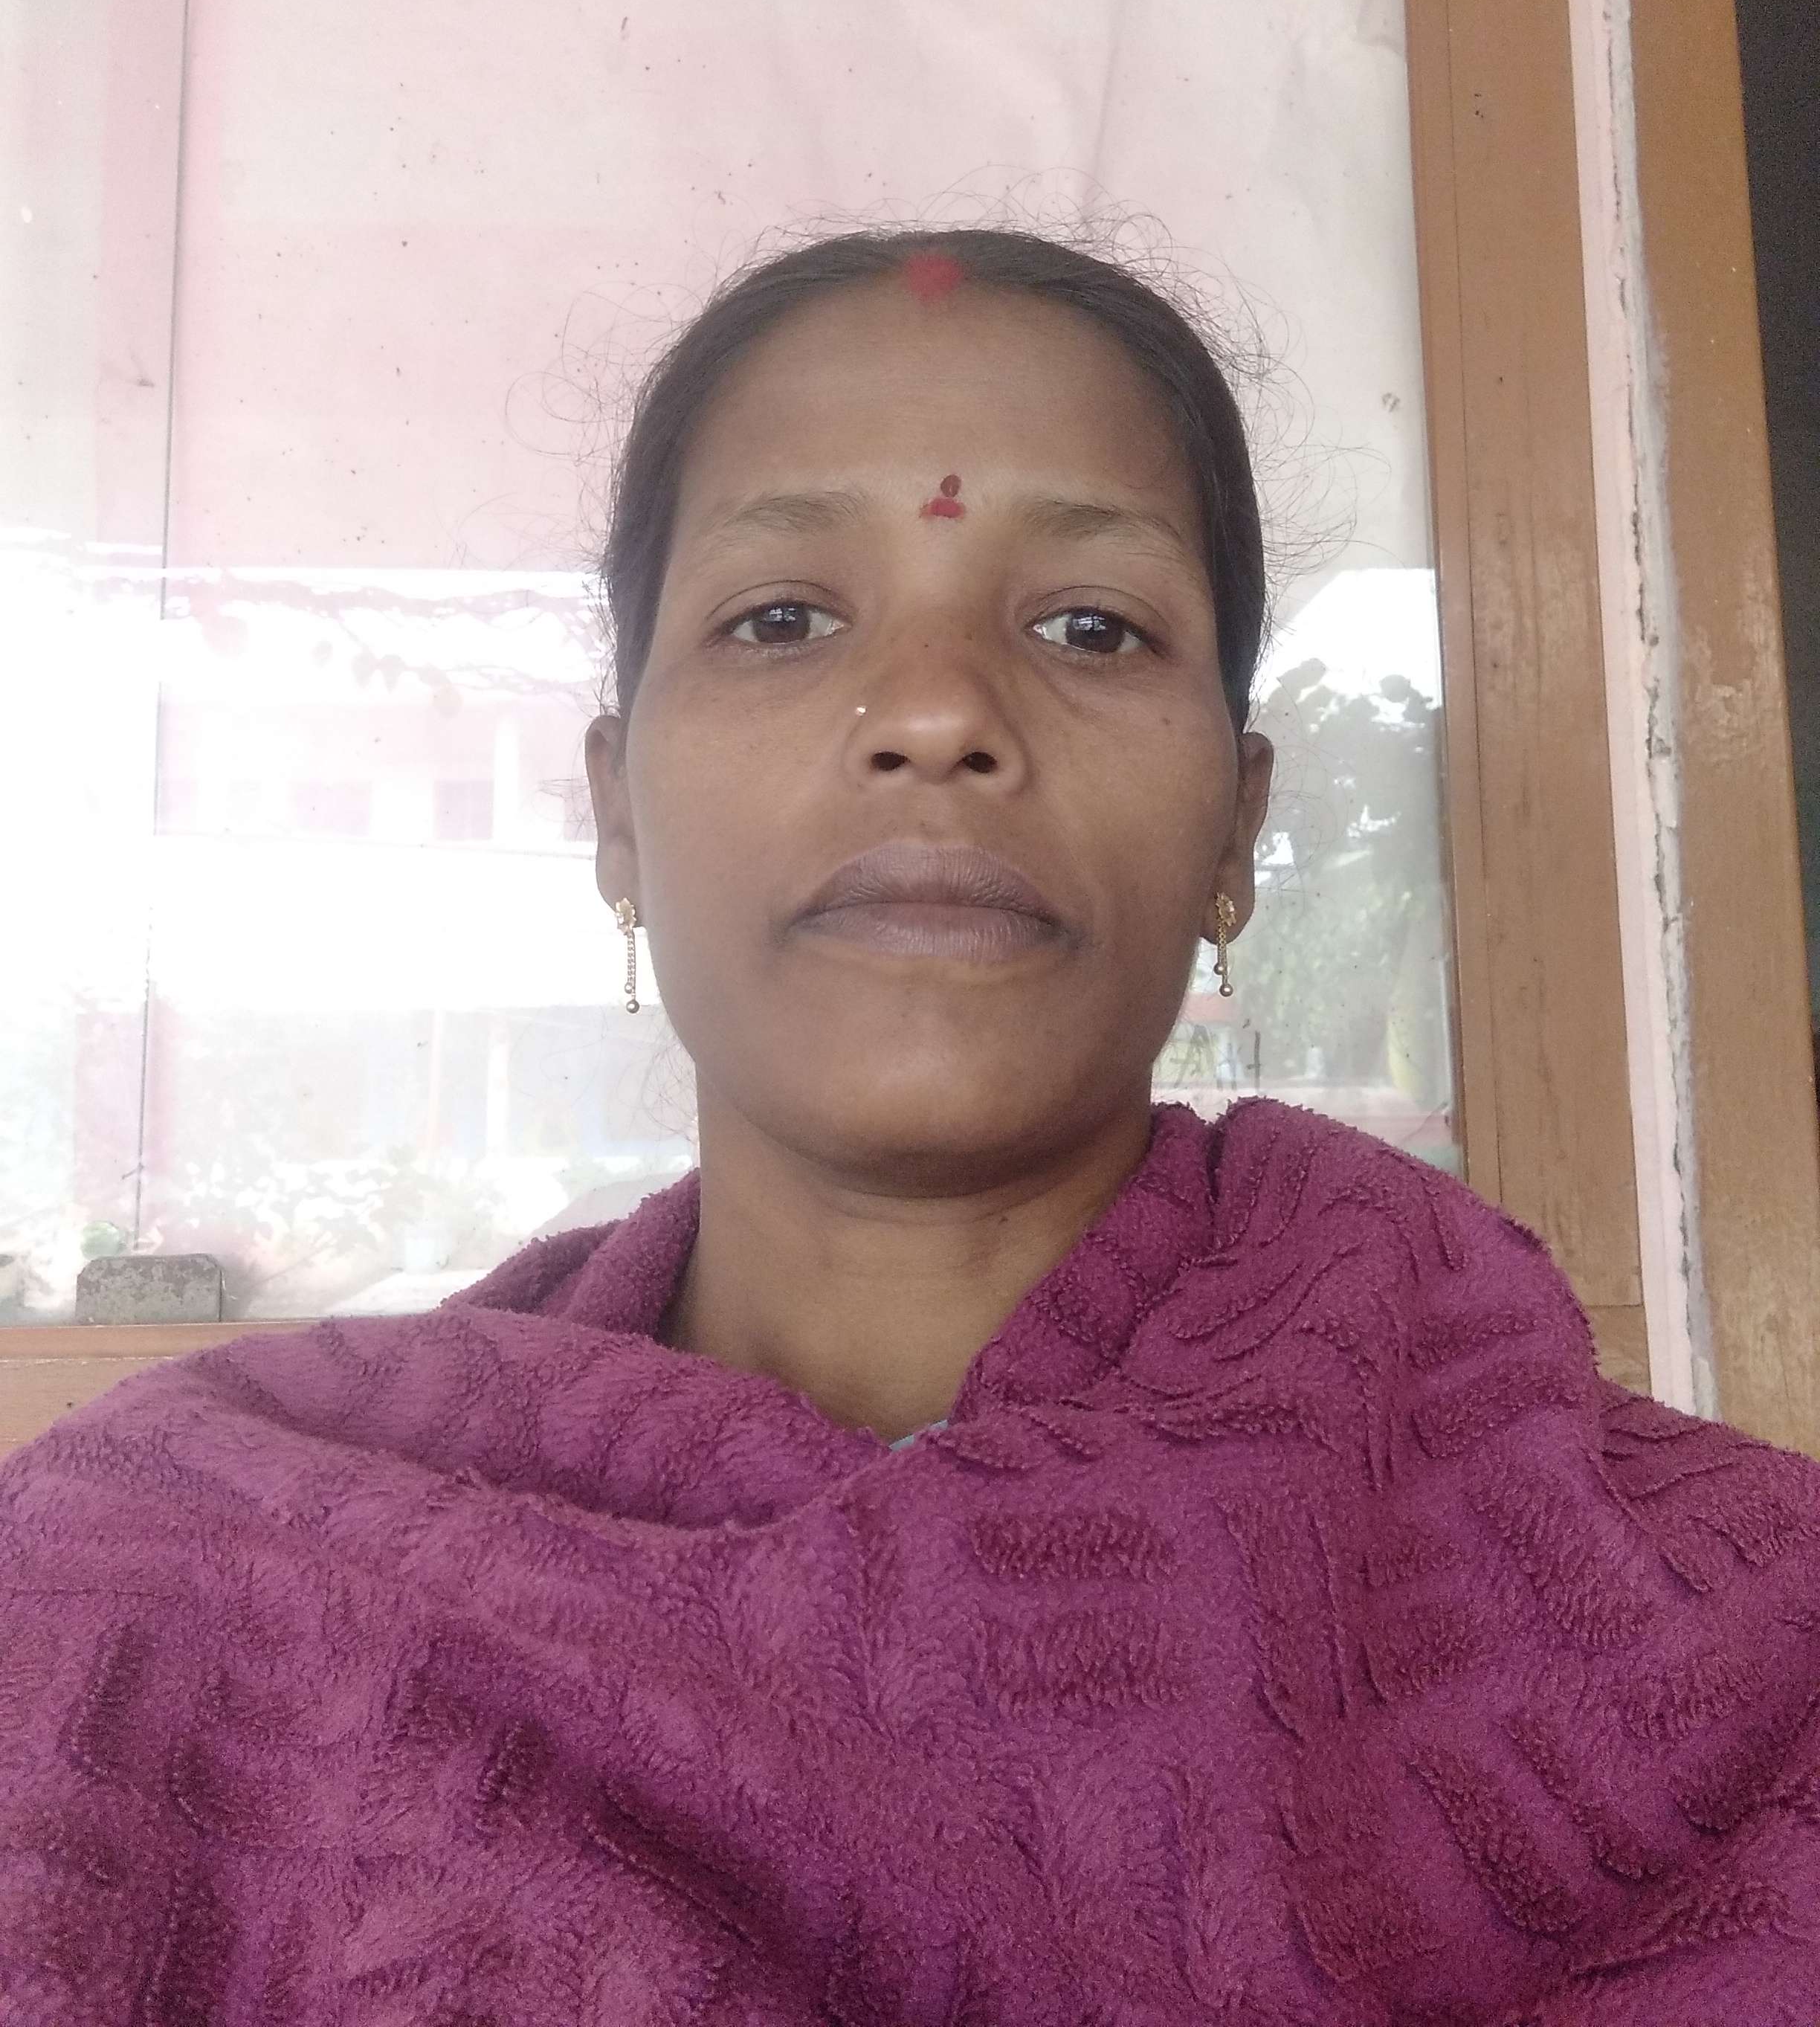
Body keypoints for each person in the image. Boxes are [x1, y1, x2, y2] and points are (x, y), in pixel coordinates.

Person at [2, 228, 1818, 2026]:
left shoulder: (1743, 1635)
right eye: (783, 618)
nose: (940, 714)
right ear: (617, 816)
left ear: (1236, 830)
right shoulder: (159, 1582)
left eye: (1090, 626)